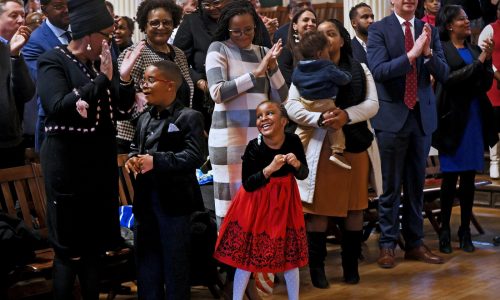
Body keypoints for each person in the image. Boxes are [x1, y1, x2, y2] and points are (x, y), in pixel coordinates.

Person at [36, 0, 141, 297]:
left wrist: (123, 78)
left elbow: (120, 107)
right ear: (87, 35)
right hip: (68, 170)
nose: (110, 40)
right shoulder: (52, 60)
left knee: (96, 249)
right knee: (71, 252)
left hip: (98, 168)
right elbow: (56, 105)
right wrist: (100, 80)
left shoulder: (100, 62)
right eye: (105, 35)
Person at [286, 18, 380, 287]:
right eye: (320, 34)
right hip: (320, 146)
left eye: (331, 33)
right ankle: (317, 269)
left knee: (355, 209)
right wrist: (320, 120)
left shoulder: (359, 69)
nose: (326, 39)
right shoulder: (304, 68)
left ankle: (351, 266)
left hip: (353, 144)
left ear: (341, 39)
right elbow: (291, 106)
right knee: (319, 211)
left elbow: (373, 104)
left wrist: (345, 116)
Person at [205, 0, 287, 296]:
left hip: (259, 143)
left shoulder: (264, 52)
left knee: (259, 209)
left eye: (249, 30)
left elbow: (283, 96)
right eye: (236, 31)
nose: (243, 36)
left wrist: (272, 68)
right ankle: (232, 280)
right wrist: (255, 74)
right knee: (231, 213)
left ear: (256, 26)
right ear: (226, 29)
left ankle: (254, 277)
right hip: (228, 141)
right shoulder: (219, 50)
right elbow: (218, 92)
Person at [367, 0, 449, 269]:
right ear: (392, 1)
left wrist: (427, 55)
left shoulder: (429, 30)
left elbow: (444, 73)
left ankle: (414, 243)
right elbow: (378, 71)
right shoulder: (379, 29)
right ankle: (388, 244)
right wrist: (411, 55)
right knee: (390, 187)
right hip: (392, 118)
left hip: (421, 118)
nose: (409, 0)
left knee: (416, 187)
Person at [126, 60, 205, 300]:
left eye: (151, 80)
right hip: (145, 201)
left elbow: (194, 156)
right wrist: (132, 159)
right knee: (147, 263)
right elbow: (133, 146)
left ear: (170, 85)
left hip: (174, 205)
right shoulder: (143, 117)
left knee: (175, 264)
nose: (145, 86)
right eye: (143, 81)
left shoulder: (189, 117)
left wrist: (155, 161)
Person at [214, 101, 309, 300]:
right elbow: (248, 184)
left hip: (285, 203)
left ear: (283, 121)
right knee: (248, 257)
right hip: (256, 203)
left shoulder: (293, 141)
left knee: (288, 256)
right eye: (259, 116)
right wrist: (269, 169)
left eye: (269, 113)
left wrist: (297, 164)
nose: (263, 118)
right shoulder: (254, 146)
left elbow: (303, 174)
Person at [433, 4, 497, 254]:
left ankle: (465, 232)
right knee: (449, 181)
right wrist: (481, 60)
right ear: (449, 25)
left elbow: (483, 83)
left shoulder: (474, 48)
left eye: (467, 18)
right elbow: (450, 79)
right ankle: (445, 231)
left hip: (474, 119)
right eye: (462, 19)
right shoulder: (443, 50)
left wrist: (487, 59)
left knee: (469, 179)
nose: (467, 22)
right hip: (451, 121)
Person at [116, 0, 193, 154]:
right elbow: (126, 100)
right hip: (139, 142)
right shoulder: (133, 54)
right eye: (155, 23)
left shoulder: (179, 54)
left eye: (167, 22)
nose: (161, 27)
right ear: (144, 25)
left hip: (175, 137)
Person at [291, 30, 352, 169]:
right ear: (319, 53)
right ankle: (337, 151)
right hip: (325, 102)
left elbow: (295, 80)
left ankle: (294, 152)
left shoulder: (299, 67)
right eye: (326, 50)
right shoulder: (327, 66)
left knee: (303, 129)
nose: (328, 54)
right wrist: (348, 75)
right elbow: (343, 79)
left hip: (305, 103)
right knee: (334, 124)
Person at [22, 0, 70, 153]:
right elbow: (48, 85)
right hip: (55, 129)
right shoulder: (34, 42)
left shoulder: (80, 32)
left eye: (69, 4)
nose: (67, 10)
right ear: (44, 10)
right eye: (59, 6)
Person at [173, 0, 227, 132]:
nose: (212, 8)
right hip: (203, 92)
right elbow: (178, 59)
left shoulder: (239, 15)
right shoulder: (192, 21)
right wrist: (199, 81)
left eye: (217, 3)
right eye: (206, 5)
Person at [0, 9, 34, 169]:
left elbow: (26, 93)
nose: (21, 20)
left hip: (12, 142)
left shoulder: (14, 48)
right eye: (14, 15)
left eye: (23, 15)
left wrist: (14, 55)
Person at [478, 1, 500, 179]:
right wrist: (496, 74)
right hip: (494, 82)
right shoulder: (490, 29)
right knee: (494, 124)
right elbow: (482, 55)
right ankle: (495, 162)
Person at [278, 7, 316, 87]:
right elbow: (287, 82)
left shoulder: (320, 50)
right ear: (295, 26)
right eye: (305, 20)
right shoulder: (286, 51)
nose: (311, 23)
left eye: (314, 21)